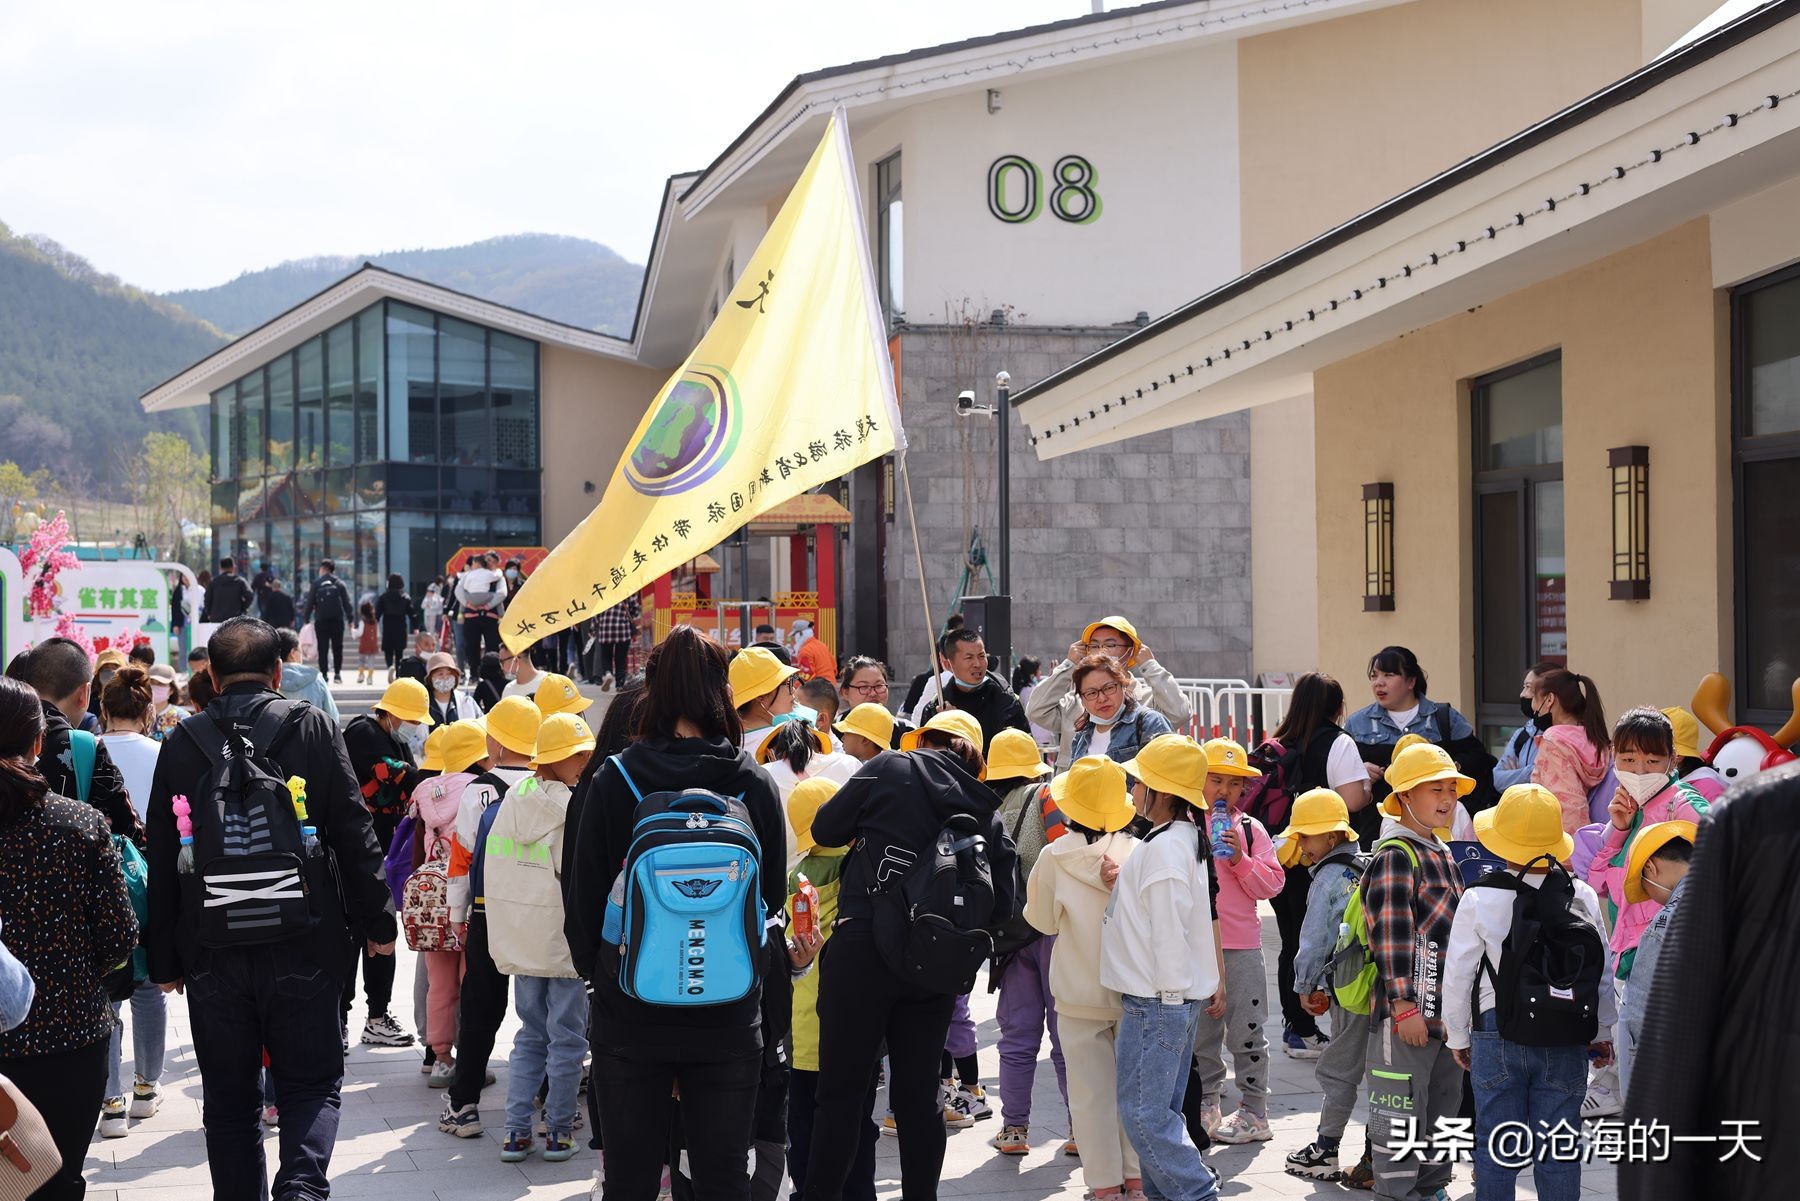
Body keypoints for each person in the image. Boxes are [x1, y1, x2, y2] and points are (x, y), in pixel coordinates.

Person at [144, 617, 397, 1200]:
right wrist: (379, 921)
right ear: (279, 671)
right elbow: (353, 831)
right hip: (305, 940)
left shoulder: (181, 743)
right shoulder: (311, 727)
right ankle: (302, 1190)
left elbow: (162, 855)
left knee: (230, 1104)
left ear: (209, 676)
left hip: (212, 949)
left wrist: (164, 961)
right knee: (310, 1085)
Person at [563, 626, 788, 1201]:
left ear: (653, 692)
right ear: (722, 692)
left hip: (631, 1011)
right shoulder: (752, 780)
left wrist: (605, 976)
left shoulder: (617, 778)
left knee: (632, 1180)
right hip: (730, 1010)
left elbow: (583, 901)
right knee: (721, 1179)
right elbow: (773, 902)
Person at [801, 706, 1018, 1201]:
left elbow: (826, 828)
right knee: (919, 1099)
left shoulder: (890, 767)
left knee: (840, 1095)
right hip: (934, 961)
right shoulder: (984, 806)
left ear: (923, 740)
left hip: (862, 950)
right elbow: (1004, 903)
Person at [0, 676, 138, 1201]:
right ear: (37, 742)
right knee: (56, 1179)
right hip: (69, 1035)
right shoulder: (80, 825)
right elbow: (119, 935)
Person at [1442, 784, 1614, 1201]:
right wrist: (1602, 1030)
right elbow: (1601, 974)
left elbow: (1459, 973)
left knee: (1498, 1145)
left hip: (1496, 1028)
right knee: (1558, 1146)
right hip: (1566, 1032)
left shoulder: (1480, 897)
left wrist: (1458, 1036)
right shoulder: (1581, 895)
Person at [1106, 734, 1223, 1201]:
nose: (1133, 791)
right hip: (1164, 998)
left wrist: (1171, 995)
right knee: (1158, 1114)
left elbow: (1169, 932)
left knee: (1144, 1115)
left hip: (1157, 1000)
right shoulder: (1176, 838)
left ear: (1162, 790)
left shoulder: (1166, 847)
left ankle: (1197, 1194)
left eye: (1139, 782)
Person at [1023, 754, 1142, 1198]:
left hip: (1077, 990)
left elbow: (1043, 922)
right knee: (1132, 1090)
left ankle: (1105, 1186)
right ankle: (1137, 1178)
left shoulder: (1055, 857)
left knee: (1090, 1096)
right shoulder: (1138, 852)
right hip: (1132, 988)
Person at [1583, 707, 1708, 1107]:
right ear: (1613, 757)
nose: (1639, 769)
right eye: (1628, 759)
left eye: (1652, 760)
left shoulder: (1684, 805)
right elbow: (1597, 884)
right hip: (1627, 958)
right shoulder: (1623, 808)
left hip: (1669, 960)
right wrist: (1618, 830)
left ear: (1673, 760)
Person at [1362, 740, 1469, 1201]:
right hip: (1407, 1013)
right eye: (1434, 789)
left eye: (1451, 789)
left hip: (1447, 1014)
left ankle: (1434, 1187)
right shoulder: (1396, 854)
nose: (1447, 799)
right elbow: (1391, 933)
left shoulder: (1440, 848)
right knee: (1400, 1112)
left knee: (1444, 1107)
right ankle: (1398, 1192)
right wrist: (1402, 1004)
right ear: (1405, 796)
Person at [486, 712, 594, 1164]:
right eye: (581, 756)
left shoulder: (514, 799)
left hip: (521, 941)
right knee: (568, 1039)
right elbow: (579, 876)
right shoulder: (571, 808)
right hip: (562, 943)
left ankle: (514, 1132)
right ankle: (558, 1130)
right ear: (563, 758)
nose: (587, 764)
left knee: (529, 1035)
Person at [439, 696, 541, 1136]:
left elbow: (460, 859)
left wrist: (456, 914)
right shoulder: (551, 786)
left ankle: (464, 1106)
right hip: (542, 913)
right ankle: (555, 1105)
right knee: (545, 1012)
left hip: (488, 912)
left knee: (481, 1008)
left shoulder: (477, 792)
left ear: (495, 742)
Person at [1261, 672, 1370, 1060]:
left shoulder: (1278, 744)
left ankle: (1296, 1028)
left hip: (1284, 854)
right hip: (1323, 860)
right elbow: (1353, 800)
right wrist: (1368, 780)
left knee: (1292, 941)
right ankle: (1321, 1024)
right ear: (1337, 708)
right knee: (1329, 940)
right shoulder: (1338, 742)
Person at [785, 778, 879, 1201]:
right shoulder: (863, 867)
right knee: (858, 1119)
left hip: (803, 1027)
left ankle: (808, 1190)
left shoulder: (794, 878)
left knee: (804, 1121)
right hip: (857, 1020)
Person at [91, 666, 168, 1141]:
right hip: (150, 882)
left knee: (104, 989)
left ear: (103, 709)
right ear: (147, 711)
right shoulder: (163, 753)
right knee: (147, 987)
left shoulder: (84, 749)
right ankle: (145, 1088)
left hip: (97, 880)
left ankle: (110, 1100)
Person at [1190, 738, 1281, 1144]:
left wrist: (1239, 860)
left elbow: (1273, 884)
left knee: (1246, 1030)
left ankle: (1254, 1109)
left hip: (1241, 946)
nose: (1224, 791)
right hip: (1197, 944)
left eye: (1233, 783)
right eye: (1216, 780)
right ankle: (1208, 1101)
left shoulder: (1250, 828)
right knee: (1201, 1030)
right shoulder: (1186, 824)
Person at [1279, 789, 1368, 1185]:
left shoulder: (1329, 878)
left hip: (1350, 989)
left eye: (1307, 837)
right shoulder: (1368, 865)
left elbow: (1314, 939)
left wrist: (1304, 986)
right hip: (1380, 984)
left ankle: (1325, 1150)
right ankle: (1374, 1153)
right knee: (1384, 1073)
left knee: (1339, 1069)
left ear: (1331, 837)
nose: (1302, 846)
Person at [984, 729, 1065, 1159]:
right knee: (1065, 1036)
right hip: (1052, 929)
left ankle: (1014, 1128)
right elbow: (1063, 849)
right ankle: (1079, 1128)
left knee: (1017, 1037)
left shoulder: (986, 807)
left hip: (1009, 938)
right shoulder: (1047, 797)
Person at [341, 679, 431, 1049]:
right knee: (351, 938)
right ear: (390, 712)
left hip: (385, 851)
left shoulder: (397, 739)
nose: (412, 724)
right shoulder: (362, 731)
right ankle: (340, 1018)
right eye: (408, 717)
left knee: (382, 936)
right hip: (355, 849)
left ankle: (377, 1016)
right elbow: (392, 773)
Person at [1346, 645, 1493, 829]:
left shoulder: (1443, 717)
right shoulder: (1357, 722)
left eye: (1388, 675)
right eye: (1374, 676)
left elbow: (1478, 757)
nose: (1379, 682)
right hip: (1375, 830)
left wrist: (1452, 766)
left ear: (1411, 681)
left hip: (1439, 830)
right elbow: (1341, 774)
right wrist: (1359, 770)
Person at [20, 637, 142, 843]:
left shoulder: (10, 733)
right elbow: (129, 828)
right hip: (70, 871)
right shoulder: (86, 746)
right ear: (84, 694)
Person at [1026, 617, 1194, 763]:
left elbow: (1180, 713)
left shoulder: (1148, 702)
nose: (1101, 652)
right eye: (1094, 646)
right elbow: (1036, 710)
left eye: (1110, 645)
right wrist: (1068, 666)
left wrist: (1151, 666)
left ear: (1130, 651)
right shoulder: (1075, 703)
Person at [1620, 821, 1694, 1049]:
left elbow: (1642, 1012)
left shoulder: (1666, 922)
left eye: (1645, 888)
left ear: (1650, 867)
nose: (1651, 897)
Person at [1528, 668, 1612, 834]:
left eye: (1534, 700)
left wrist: (1570, 857)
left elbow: (1568, 806)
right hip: (1599, 838)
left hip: (1563, 848)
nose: (1533, 710)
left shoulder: (1554, 742)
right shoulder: (1592, 736)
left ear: (1550, 699)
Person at [918, 627, 1030, 749]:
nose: (978, 664)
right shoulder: (936, 708)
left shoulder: (1005, 700)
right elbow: (929, 760)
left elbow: (1023, 751)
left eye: (981, 656)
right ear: (948, 664)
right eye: (969, 658)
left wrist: (958, 726)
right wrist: (946, 726)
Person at [1066, 653, 1175, 765]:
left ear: (1123, 685)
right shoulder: (1081, 736)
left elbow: (1168, 774)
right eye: (1092, 693)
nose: (1102, 699)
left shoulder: (1150, 722)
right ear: (1082, 698)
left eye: (1109, 688)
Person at [1493, 662, 1560, 793]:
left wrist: (1516, 773)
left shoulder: (1563, 737)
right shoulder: (1522, 734)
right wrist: (1533, 771)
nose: (1522, 694)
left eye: (1529, 688)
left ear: (1549, 696)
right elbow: (1498, 780)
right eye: (1524, 687)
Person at [732, 646, 800, 754]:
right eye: (787, 683)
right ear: (761, 696)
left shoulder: (725, 743)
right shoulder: (789, 742)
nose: (793, 689)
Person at [303, 559, 354, 685]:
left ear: (323, 569)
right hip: (337, 621)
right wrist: (351, 619)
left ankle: (324, 675)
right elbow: (347, 603)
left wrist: (306, 619)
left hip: (321, 621)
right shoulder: (339, 583)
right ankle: (337, 674)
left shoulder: (316, 583)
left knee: (323, 648)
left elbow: (309, 603)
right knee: (338, 647)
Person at [274, 627, 340, 724]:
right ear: (292, 653)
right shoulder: (316, 678)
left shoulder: (268, 679)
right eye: (300, 651)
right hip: (312, 736)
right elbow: (333, 717)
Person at [456, 552, 506, 666]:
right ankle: (474, 673)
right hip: (471, 616)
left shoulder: (498, 577)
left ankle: (493, 671)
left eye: (491, 561)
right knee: (472, 646)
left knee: (492, 646)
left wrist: (487, 606)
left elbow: (501, 594)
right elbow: (459, 591)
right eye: (486, 560)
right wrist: (468, 604)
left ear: (496, 563)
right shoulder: (471, 575)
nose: (488, 562)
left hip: (490, 617)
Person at [592, 593, 642, 688]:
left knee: (606, 655)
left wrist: (592, 629)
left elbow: (596, 613)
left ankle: (608, 673)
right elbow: (635, 610)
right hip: (622, 629)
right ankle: (620, 684)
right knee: (621, 658)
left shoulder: (603, 590)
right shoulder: (627, 590)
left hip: (605, 628)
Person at [376, 573, 413, 680]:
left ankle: (389, 666)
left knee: (388, 650)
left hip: (388, 625)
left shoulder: (383, 597)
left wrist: (374, 624)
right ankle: (398, 672)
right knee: (399, 652)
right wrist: (415, 627)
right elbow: (412, 613)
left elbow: (377, 613)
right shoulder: (405, 597)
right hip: (400, 626)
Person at [427, 651, 478, 725]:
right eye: (440, 674)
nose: (445, 677)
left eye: (449, 673)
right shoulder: (422, 703)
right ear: (431, 678)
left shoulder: (466, 701)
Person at [203, 556, 253, 623]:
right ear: (233, 567)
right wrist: (242, 608)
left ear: (221, 568)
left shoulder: (214, 582)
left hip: (216, 619)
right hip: (235, 619)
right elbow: (250, 595)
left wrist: (209, 613)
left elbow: (207, 598)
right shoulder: (240, 581)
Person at [147, 663, 190, 741]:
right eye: (152, 683)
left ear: (171, 690)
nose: (155, 687)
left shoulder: (182, 717)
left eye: (161, 684)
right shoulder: (138, 715)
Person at [355, 600, 380, 685]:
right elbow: (378, 634)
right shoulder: (375, 622)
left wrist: (354, 633)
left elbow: (359, 633)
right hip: (373, 644)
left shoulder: (363, 622)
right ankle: (370, 677)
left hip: (364, 644)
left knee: (361, 660)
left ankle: (361, 675)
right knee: (371, 661)